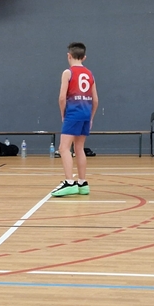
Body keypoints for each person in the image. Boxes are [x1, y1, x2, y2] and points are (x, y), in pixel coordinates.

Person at [51, 42, 99, 197]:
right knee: (79, 148)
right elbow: (95, 100)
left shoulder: (68, 72)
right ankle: (83, 183)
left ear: (69, 55)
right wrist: (91, 117)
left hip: (73, 113)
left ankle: (69, 182)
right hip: (86, 113)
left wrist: (63, 114)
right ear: (84, 57)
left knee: (63, 148)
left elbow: (61, 98)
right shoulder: (90, 74)